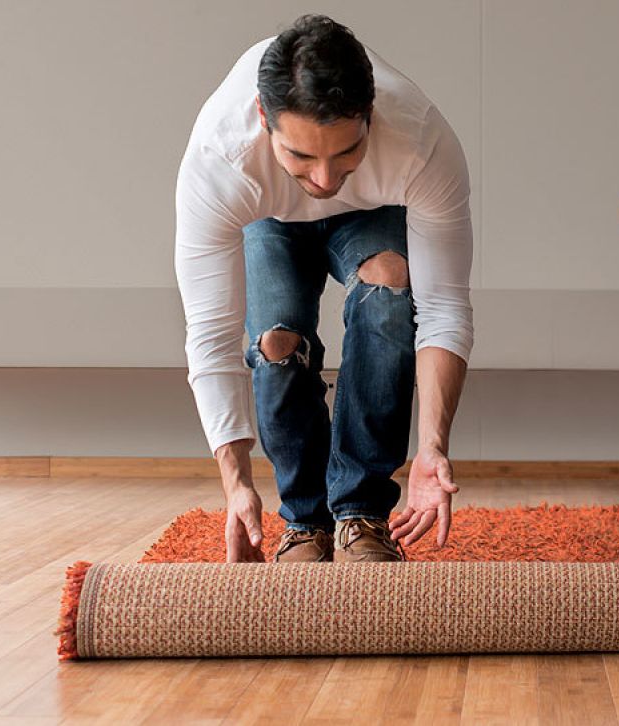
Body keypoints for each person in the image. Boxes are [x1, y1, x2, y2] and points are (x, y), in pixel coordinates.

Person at [173, 15, 473, 563]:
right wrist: (236, 484)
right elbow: (211, 336)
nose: (325, 180)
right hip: (269, 215)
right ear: (264, 119)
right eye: (302, 156)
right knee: (275, 341)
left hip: (372, 209)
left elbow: (444, 307)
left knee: (390, 282)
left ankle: (361, 513)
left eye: (345, 153)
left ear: (370, 115)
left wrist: (432, 447)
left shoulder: (420, 139)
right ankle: (305, 521)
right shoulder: (222, 160)